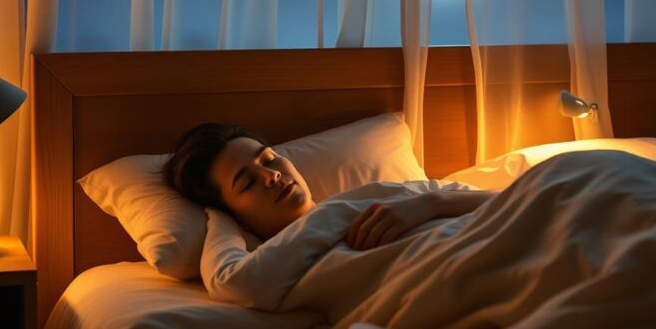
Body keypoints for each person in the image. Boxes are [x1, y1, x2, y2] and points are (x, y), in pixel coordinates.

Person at [163, 123, 495, 248]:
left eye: (269, 159)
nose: (272, 175)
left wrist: (431, 204)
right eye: (247, 182)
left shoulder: (382, 194)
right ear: (237, 219)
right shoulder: (280, 263)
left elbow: (513, 198)